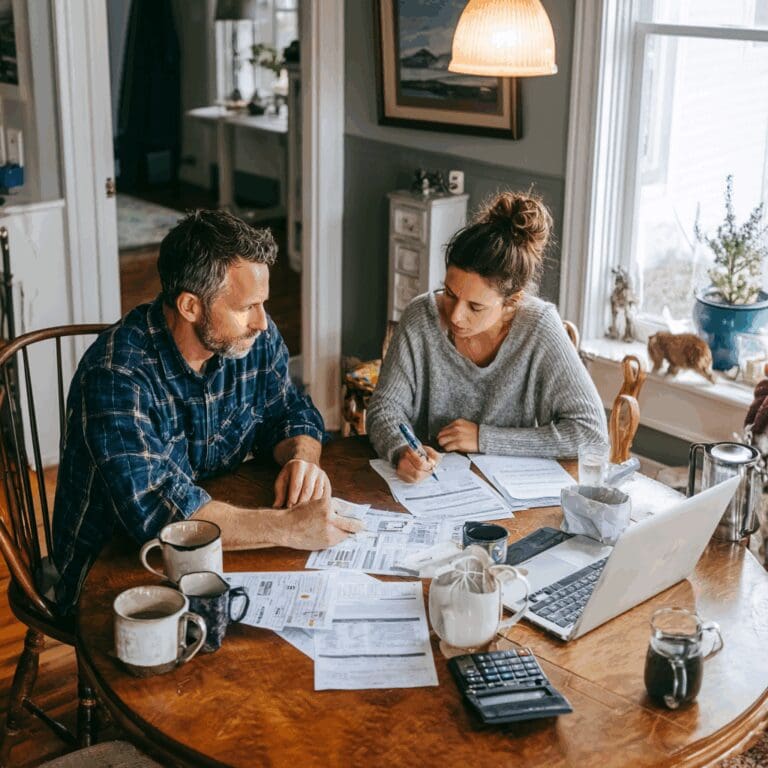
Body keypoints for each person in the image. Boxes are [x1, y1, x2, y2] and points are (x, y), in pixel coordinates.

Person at [52, 210, 361, 612]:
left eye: (262, 303)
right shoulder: (116, 376)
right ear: (190, 306)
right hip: (117, 567)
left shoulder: (250, 342)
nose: (262, 323)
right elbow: (165, 517)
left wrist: (302, 458)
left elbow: (289, 410)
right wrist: (289, 528)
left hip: (214, 542)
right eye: (246, 307)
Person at [367, 191, 607, 483]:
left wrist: (485, 438)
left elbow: (591, 434)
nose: (455, 315)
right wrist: (400, 449)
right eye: (450, 294)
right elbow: (384, 408)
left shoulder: (540, 328)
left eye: (475, 306)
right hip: (430, 490)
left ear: (512, 302)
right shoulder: (420, 317)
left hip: (512, 497)